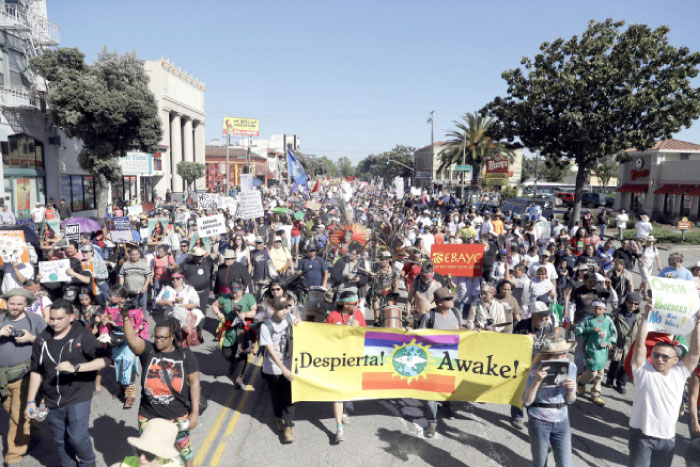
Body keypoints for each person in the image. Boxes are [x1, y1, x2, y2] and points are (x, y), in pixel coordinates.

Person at [25, 298, 110, 467]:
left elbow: (105, 360)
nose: (54, 322)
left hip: (78, 395)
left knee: (77, 437)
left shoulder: (81, 335)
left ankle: (88, 463)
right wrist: (30, 400)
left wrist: (76, 367)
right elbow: (36, 371)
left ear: (71, 317)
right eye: (52, 318)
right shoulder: (42, 339)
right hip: (52, 399)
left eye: (59, 319)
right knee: (60, 441)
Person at [120, 314, 201, 467]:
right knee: (147, 453)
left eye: (162, 337)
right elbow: (132, 340)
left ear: (172, 337)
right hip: (148, 416)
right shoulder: (148, 351)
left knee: (185, 450)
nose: (157, 340)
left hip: (176, 417)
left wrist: (195, 412)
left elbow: (194, 382)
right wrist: (125, 317)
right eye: (155, 337)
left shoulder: (185, 355)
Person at [628, 298, 700, 467]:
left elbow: (695, 353)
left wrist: (698, 324)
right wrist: (646, 317)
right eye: (655, 355)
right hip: (641, 436)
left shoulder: (680, 373)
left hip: (668, 439)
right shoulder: (642, 371)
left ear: (675, 360)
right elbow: (640, 344)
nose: (659, 359)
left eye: (664, 357)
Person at [0, 288, 46, 465]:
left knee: (17, 416)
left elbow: (51, 342)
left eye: (19, 304)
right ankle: (31, 433)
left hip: (24, 375)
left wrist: (31, 338)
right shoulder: (1, 318)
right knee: (10, 409)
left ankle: (13, 457)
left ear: (26, 304)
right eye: (12, 303)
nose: (15, 307)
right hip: (2, 378)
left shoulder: (35, 320)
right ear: (6, 302)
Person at [522, 338, 577, 467]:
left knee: (565, 464)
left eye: (566, 352)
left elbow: (571, 400)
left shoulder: (571, 367)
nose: (565, 356)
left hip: (562, 421)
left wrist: (570, 390)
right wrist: (536, 381)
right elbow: (527, 401)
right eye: (560, 353)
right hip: (539, 421)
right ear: (549, 354)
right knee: (540, 463)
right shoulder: (536, 369)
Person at [419, 287, 463, 438]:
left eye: (452, 298)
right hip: (433, 360)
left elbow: (462, 330)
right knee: (431, 391)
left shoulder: (456, 313)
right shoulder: (429, 317)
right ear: (439, 303)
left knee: (449, 386)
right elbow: (420, 337)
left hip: (451, 359)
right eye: (448, 299)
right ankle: (432, 422)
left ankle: (447, 404)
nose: (452, 301)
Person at [98, 286, 149, 409]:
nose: (109, 297)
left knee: (128, 365)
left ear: (121, 297)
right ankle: (123, 390)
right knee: (119, 365)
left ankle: (130, 397)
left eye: (112, 295)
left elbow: (142, 323)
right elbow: (105, 324)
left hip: (130, 341)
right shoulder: (110, 309)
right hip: (115, 340)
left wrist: (136, 335)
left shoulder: (134, 308)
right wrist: (104, 332)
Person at [325, 290, 366, 443]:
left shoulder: (359, 315)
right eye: (354, 304)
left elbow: (365, 335)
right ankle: (339, 428)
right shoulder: (333, 316)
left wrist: (358, 329)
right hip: (336, 360)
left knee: (347, 391)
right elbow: (324, 335)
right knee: (338, 394)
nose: (357, 306)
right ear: (344, 304)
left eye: (357, 303)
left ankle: (342, 412)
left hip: (352, 359)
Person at [512, 301, 557, 429]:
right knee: (519, 389)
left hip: (540, 363)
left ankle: (533, 417)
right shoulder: (522, 325)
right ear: (534, 315)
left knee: (536, 391)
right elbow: (513, 343)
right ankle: (517, 416)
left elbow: (553, 345)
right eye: (543, 315)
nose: (546, 318)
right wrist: (525, 339)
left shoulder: (548, 326)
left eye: (547, 315)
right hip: (523, 363)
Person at [260, 296, 297, 443]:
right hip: (273, 369)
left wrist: (298, 324)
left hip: (289, 366)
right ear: (274, 309)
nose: (285, 311)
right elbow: (271, 352)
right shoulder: (266, 326)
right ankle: (277, 417)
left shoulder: (290, 318)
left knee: (289, 397)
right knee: (276, 397)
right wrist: (284, 370)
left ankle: (288, 426)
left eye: (287, 308)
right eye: (281, 308)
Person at [212, 280, 257, 388]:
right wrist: (219, 314)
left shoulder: (248, 297)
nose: (234, 294)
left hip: (244, 331)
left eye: (237, 291)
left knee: (242, 353)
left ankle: (239, 377)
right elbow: (214, 305)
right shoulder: (226, 298)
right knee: (226, 352)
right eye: (232, 291)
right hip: (230, 330)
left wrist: (245, 314)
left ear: (242, 290)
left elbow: (254, 311)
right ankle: (234, 362)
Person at [575, 300, 617, 406]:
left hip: (602, 351)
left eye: (600, 308)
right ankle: (581, 382)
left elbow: (613, 333)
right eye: (595, 308)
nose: (597, 310)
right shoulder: (588, 318)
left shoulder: (608, 319)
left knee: (600, 373)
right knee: (593, 372)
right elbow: (578, 329)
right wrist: (591, 329)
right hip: (590, 349)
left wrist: (609, 342)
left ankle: (595, 395)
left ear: (605, 310)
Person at [604, 292, 642, 394]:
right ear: (626, 302)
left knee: (626, 365)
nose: (633, 305)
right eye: (630, 302)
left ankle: (621, 383)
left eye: (636, 304)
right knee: (615, 363)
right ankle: (610, 379)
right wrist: (609, 340)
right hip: (618, 343)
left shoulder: (639, 316)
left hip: (631, 344)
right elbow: (609, 325)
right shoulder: (617, 313)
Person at [111, 418, 182, 467]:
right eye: (139, 451)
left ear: (162, 456)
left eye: (149, 455)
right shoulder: (130, 462)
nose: (141, 458)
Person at [181, 246, 215, 315]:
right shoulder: (187, 264)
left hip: (204, 292)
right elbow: (182, 276)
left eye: (202, 256)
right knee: (191, 311)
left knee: (202, 311)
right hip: (192, 293)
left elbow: (214, 253)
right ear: (193, 256)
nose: (201, 257)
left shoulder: (206, 262)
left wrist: (214, 244)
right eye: (199, 256)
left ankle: (200, 326)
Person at [119, 247, 153, 311]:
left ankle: (143, 321)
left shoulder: (144, 264)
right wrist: (121, 287)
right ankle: (133, 321)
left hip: (141, 290)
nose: (134, 256)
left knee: (142, 307)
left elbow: (148, 276)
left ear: (139, 255)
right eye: (133, 255)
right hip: (129, 291)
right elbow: (121, 276)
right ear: (130, 255)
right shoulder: (125, 264)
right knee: (131, 308)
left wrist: (145, 287)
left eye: (136, 254)